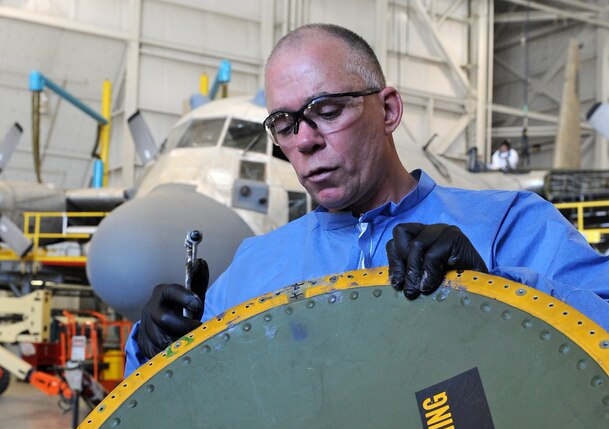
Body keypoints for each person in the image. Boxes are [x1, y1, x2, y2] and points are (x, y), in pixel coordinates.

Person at [125, 24, 609, 374]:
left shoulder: (510, 225)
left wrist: (498, 290)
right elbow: (180, 411)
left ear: (389, 110)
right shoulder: (254, 269)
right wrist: (152, 346)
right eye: (285, 125)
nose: (305, 141)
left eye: (327, 111)